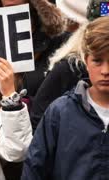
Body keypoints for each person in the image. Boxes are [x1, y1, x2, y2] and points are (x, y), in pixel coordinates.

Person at [22, 16, 109, 180]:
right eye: (98, 61)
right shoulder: (60, 112)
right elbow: (35, 169)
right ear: (85, 60)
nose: (105, 70)